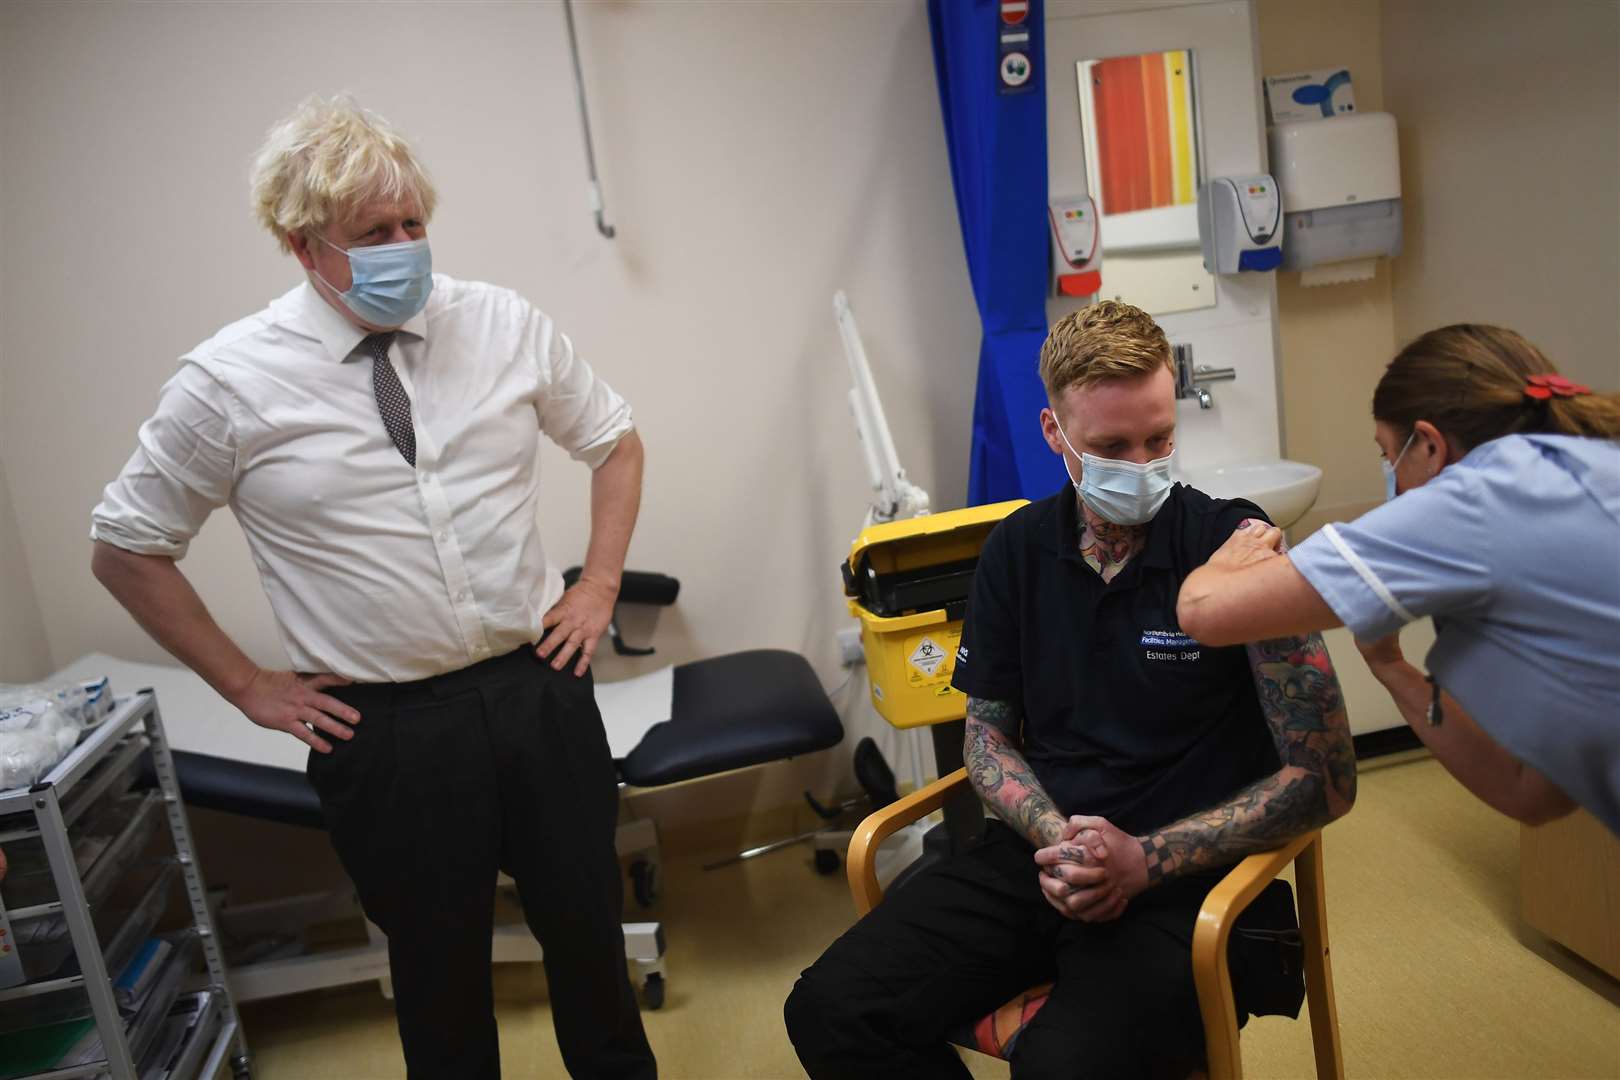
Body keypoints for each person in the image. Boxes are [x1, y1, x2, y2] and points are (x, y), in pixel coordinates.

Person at [89, 96, 656, 1080]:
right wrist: (246, 685)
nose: (404, 248)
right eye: (372, 233)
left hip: (537, 691)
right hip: (388, 736)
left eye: (413, 225)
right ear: (305, 247)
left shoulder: (500, 324)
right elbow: (127, 547)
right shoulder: (230, 382)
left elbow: (614, 442)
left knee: (592, 949)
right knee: (438, 988)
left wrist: (598, 582)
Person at [784, 301, 1357, 1080]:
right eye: (1112, 446)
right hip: (1040, 860)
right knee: (833, 1008)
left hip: (1185, 886)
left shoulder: (1233, 553)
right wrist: (1057, 838)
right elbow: (986, 737)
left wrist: (1143, 862)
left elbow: (1326, 777)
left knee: (1064, 1067)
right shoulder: (1016, 554)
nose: (1144, 464)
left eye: (1160, 439)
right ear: (1055, 433)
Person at [1178, 324, 1620, 836]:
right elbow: (1531, 795)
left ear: (1429, 445)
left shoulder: (1477, 500)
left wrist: (1233, 555)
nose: (1391, 475)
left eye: (1388, 455)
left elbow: (1202, 611)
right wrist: (1391, 666)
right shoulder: (1588, 465)